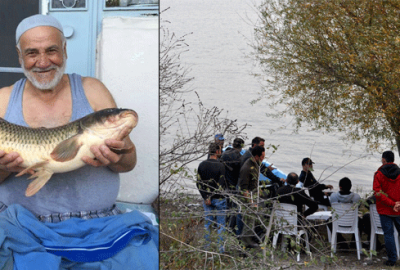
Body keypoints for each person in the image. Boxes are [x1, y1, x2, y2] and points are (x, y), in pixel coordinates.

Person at [0, 14, 157, 269]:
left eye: (51, 50)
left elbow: (128, 163)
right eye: (32, 53)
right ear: (20, 57)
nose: (42, 62)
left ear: (64, 50)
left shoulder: (92, 89)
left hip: (99, 225)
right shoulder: (3, 99)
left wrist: (120, 155)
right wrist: (4, 167)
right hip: (19, 224)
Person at [197, 142, 227, 253]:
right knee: (220, 225)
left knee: (208, 224)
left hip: (206, 199)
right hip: (219, 198)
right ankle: (220, 250)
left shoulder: (202, 165)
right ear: (218, 152)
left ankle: (206, 249)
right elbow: (220, 185)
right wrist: (212, 196)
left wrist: (206, 197)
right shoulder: (221, 166)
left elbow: (198, 183)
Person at [373, 150, 400, 266]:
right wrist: (397, 204)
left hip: (385, 210)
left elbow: (377, 193)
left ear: (384, 159)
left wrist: (391, 203)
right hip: (398, 209)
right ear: (393, 160)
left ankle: (392, 260)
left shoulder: (379, 174)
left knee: (388, 234)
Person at [237, 145, 267, 248]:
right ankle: (245, 243)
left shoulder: (256, 165)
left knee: (257, 219)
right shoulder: (247, 167)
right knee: (248, 221)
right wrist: (251, 203)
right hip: (248, 198)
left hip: (254, 195)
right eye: (262, 157)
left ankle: (252, 239)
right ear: (257, 156)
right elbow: (243, 188)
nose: (263, 159)